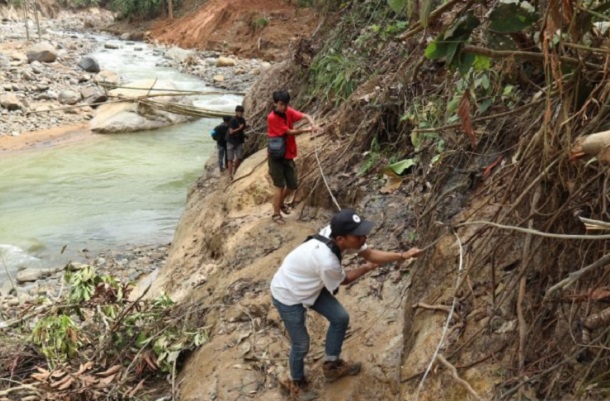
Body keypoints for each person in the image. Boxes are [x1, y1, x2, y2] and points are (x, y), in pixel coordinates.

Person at [270, 209, 423, 400]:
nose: (364, 238)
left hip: (310, 285)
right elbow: (346, 279)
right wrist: (367, 268)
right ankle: (296, 380)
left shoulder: (333, 232)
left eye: (363, 233)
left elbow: (370, 253)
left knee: (340, 318)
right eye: (358, 235)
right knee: (301, 344)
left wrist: (403, 255)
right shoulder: (327, 261)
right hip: (287, 294)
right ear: (341, 239)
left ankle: (331, 366)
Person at [267, 90, 319, 225]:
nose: (283, 107)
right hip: (276, 155)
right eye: (281, 104)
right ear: (275, 103)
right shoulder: (272, 118)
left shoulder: (288, 111)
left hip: (288, 153)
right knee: (279, 185)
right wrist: (306, 130)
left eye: (285, 104)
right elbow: (289, 132)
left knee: (292, 184)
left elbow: (305, 116)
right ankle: (276, 213)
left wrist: (312, 123)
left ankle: (281, 203)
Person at [227, 105, 247, 180]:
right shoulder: (232, 120)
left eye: (241, 112)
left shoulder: (243, 120)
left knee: (239, 157)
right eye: (239, 112)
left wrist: (245, 127)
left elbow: (243, 128)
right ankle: (229, 175)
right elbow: (231, 132)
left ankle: (235, 170)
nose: (240, 113)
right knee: (230, 159)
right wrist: (240, 128)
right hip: (231, 141)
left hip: (239, 141)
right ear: (236, 112)